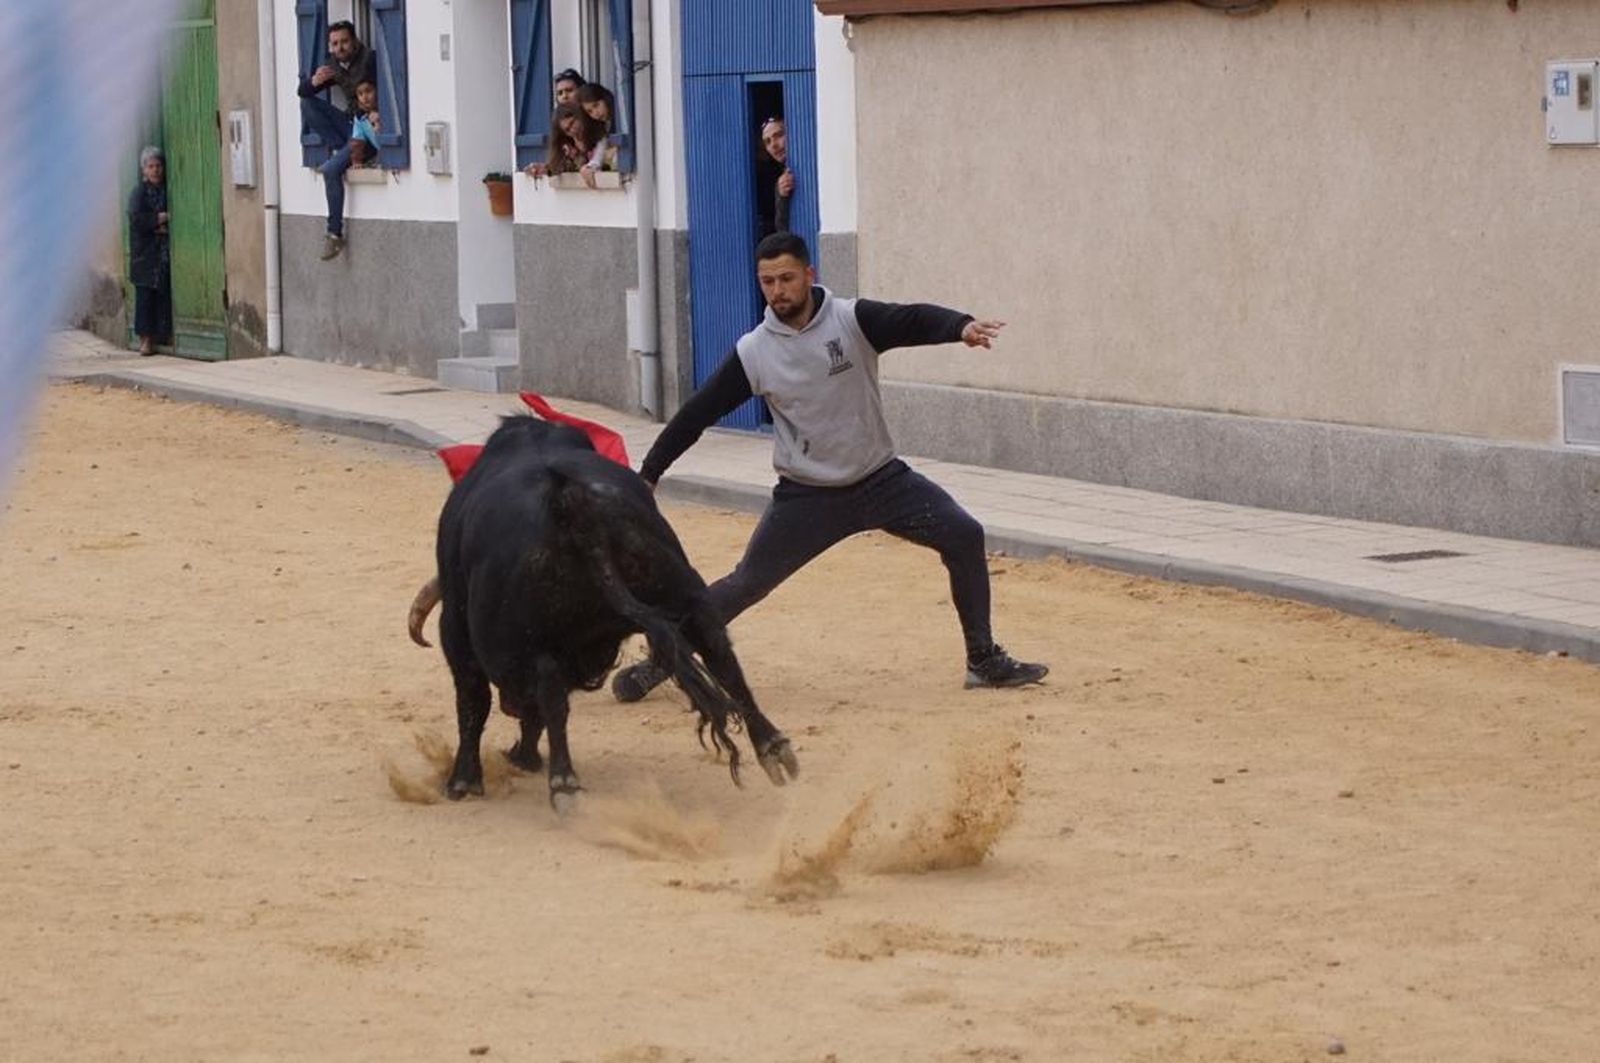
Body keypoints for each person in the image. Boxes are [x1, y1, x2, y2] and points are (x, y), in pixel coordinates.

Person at [611, 232, 1049, 701]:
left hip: (882, 480)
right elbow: (697, 414)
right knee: (746, 584)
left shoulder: (851, 320)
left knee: (964, 533)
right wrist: (649, 474)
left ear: (809, 275)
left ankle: (982, 660)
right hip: (809, 497)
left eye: (786, 278)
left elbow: (911, 319)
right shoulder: (755, 352)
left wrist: (959, 326)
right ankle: (662, 660)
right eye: (767, 282)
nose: (777, 291)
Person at [297, 20, 376, 260]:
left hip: (369, 134)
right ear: (330, 47)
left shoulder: (370, 60)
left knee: (331, 170)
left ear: (354, 41)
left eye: (344, 42)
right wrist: (314, 83)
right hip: (350, 128)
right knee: (307, 103)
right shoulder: (334, 66)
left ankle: (334, 234)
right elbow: (303, 92)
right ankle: (345, 152)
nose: (340, 47)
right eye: (335, 44)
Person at [316, 78, 382, 260]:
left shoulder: (386, 112)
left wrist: (379, 126)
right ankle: (334, 233)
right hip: (366, 149)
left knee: (330, 170)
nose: (365, 97)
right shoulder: (360, 118)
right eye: (360, 94)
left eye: (368, 91)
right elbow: (358, 140)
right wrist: (356, 160)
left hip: (385, 155)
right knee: (331, 170)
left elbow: (386, 141)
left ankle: (334, 233)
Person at [127, 146, 171, 356]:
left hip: (163, 251)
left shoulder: (168, 189)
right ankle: (145, 341)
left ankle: (164, 335)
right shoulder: (139, 193)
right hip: (144, 255)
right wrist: (159, 219)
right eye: (150, 166)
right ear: (143, 170)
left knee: (163, 294)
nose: (155, 170)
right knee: (145, 297)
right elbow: (136, 219)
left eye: (158, 166)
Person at [522, 103, 608, 187]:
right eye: (567, 130)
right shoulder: (569, 149)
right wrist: (546, 169)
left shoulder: (600, 136)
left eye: (572, 122)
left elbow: (598, 156)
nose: (573, 129)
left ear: (580, 116)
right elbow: (558, 167)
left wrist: (590, 167)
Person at [755, 117, 794, 238]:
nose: (774, 145)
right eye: (768, 141)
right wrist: (781, 195)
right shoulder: (774, 177)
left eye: (779, 135)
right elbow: (781, 228)